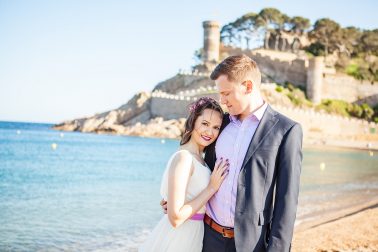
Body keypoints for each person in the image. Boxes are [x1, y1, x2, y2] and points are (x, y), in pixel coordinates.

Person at [162, 55, 303, 252]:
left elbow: (286, 201)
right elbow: (200, 168)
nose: (222, 100)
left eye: (226, 93)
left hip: (251, 244)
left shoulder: (286, 130)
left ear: (248, 86)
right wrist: (182, 201)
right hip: (206, 237)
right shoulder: (220, 125)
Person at [139, 97, 230, 252]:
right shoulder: (184, 158)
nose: (210, 132)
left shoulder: (201, 160)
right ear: (193, 121)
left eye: (216, 127)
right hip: (178, 237)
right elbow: (175, 218)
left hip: (194, 234)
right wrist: (211, 188)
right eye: (205, 124)